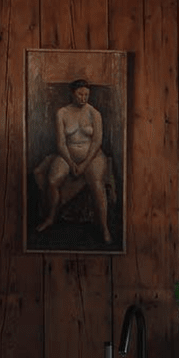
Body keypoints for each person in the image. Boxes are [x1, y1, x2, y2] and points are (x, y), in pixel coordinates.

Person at [33, 79, 114, 243]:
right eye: (80, 94)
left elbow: (97, 141)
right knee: (52, 179)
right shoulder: (62, 113)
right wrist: (71, 164)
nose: (84, 98)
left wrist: (83, 165)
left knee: (97, 183)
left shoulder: (94, 114)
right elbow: (61, 143)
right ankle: (50, 217)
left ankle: (104, 226)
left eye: (86, 94)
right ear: (72, 93)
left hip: (93, 155)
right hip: (67, 154)